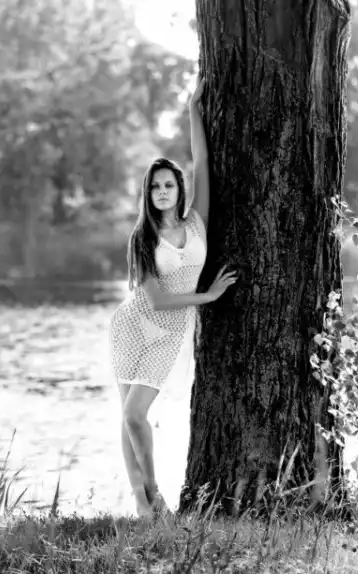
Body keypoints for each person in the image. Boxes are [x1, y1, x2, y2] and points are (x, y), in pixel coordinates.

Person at [108, 77, 237, 518]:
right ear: (148, 194)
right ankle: (146, 500)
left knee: (134, 415)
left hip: (169, 334)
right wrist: (209, 295)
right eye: (155, 187)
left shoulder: (197, 222)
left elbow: (203, 160)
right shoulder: (143, 238)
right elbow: (158, 300)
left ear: (180, 189)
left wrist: (192, 109)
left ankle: (150, 495)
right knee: (129, 416)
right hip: (133, 325)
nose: (162, 191)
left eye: (168, 185)